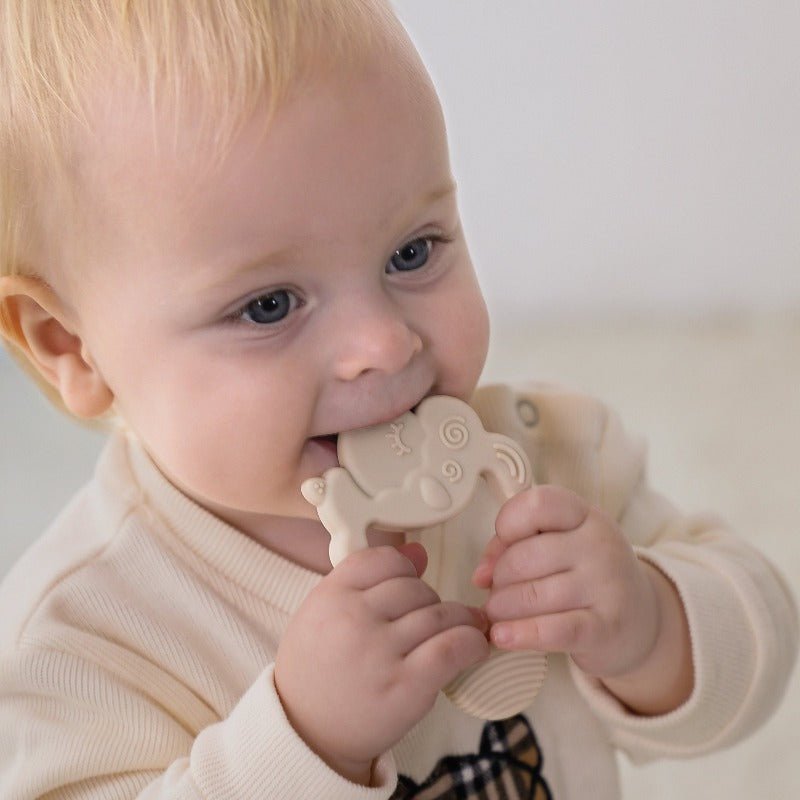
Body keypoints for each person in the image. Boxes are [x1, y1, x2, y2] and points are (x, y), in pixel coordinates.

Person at [0, 1, 795, 797]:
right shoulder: (80, 643)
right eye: (269, 306)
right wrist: (303, 745)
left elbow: (761, 643)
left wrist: (653, 627)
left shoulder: (546, 460)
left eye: (412, 252)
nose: (382, 342)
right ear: (70, 346)